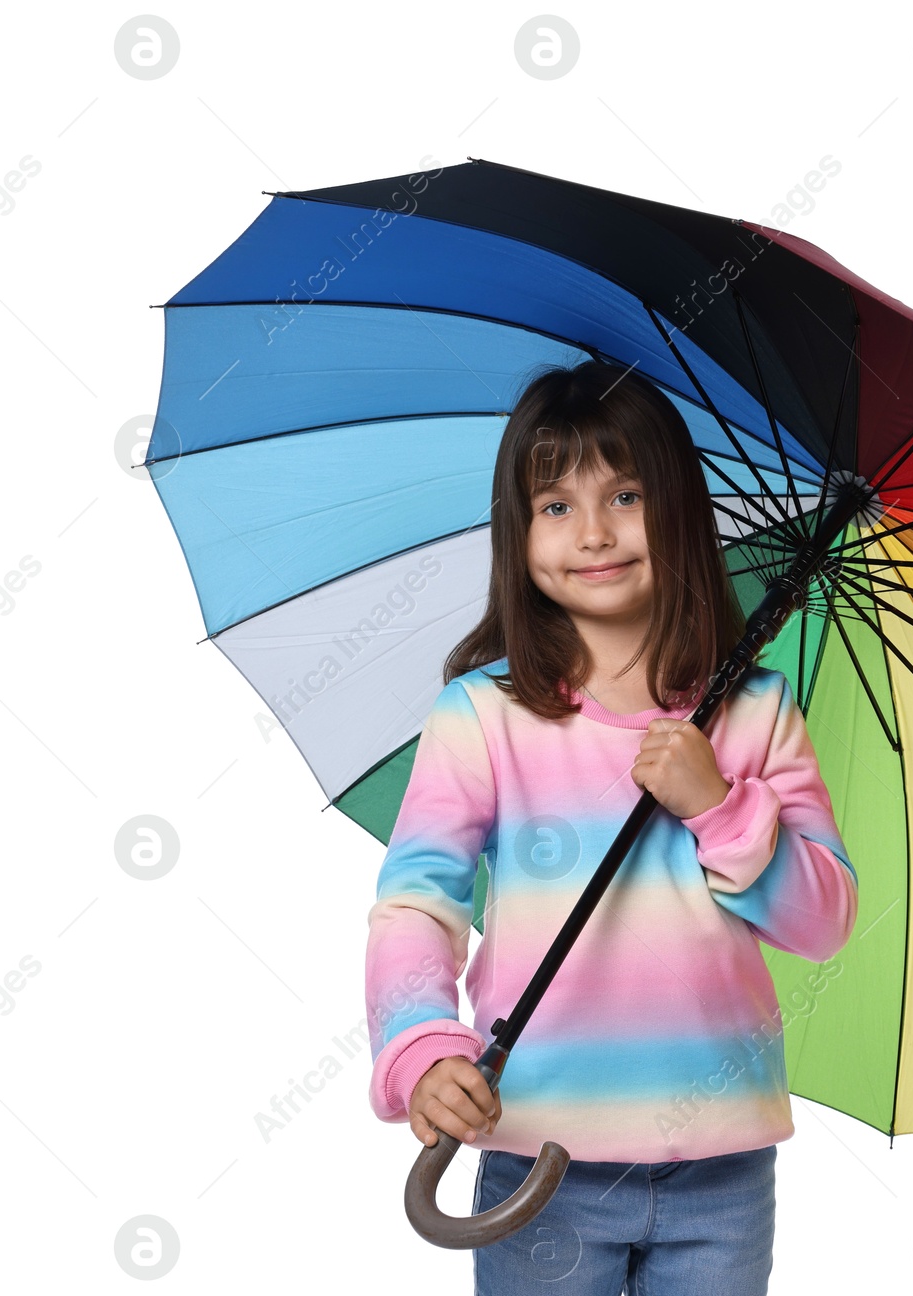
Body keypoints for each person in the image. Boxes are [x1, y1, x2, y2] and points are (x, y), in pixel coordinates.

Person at [364, 359, 859, 1295]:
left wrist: (719, 805)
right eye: (555, 505)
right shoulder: (484, 715)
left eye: (626, 494)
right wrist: (424, 1045)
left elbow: (825, 918)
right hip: (537, 1153)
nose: (593, 532)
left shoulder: (754, 713)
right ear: (519, 532)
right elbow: (417, 905)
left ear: (679, 510)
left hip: (723, 1168)